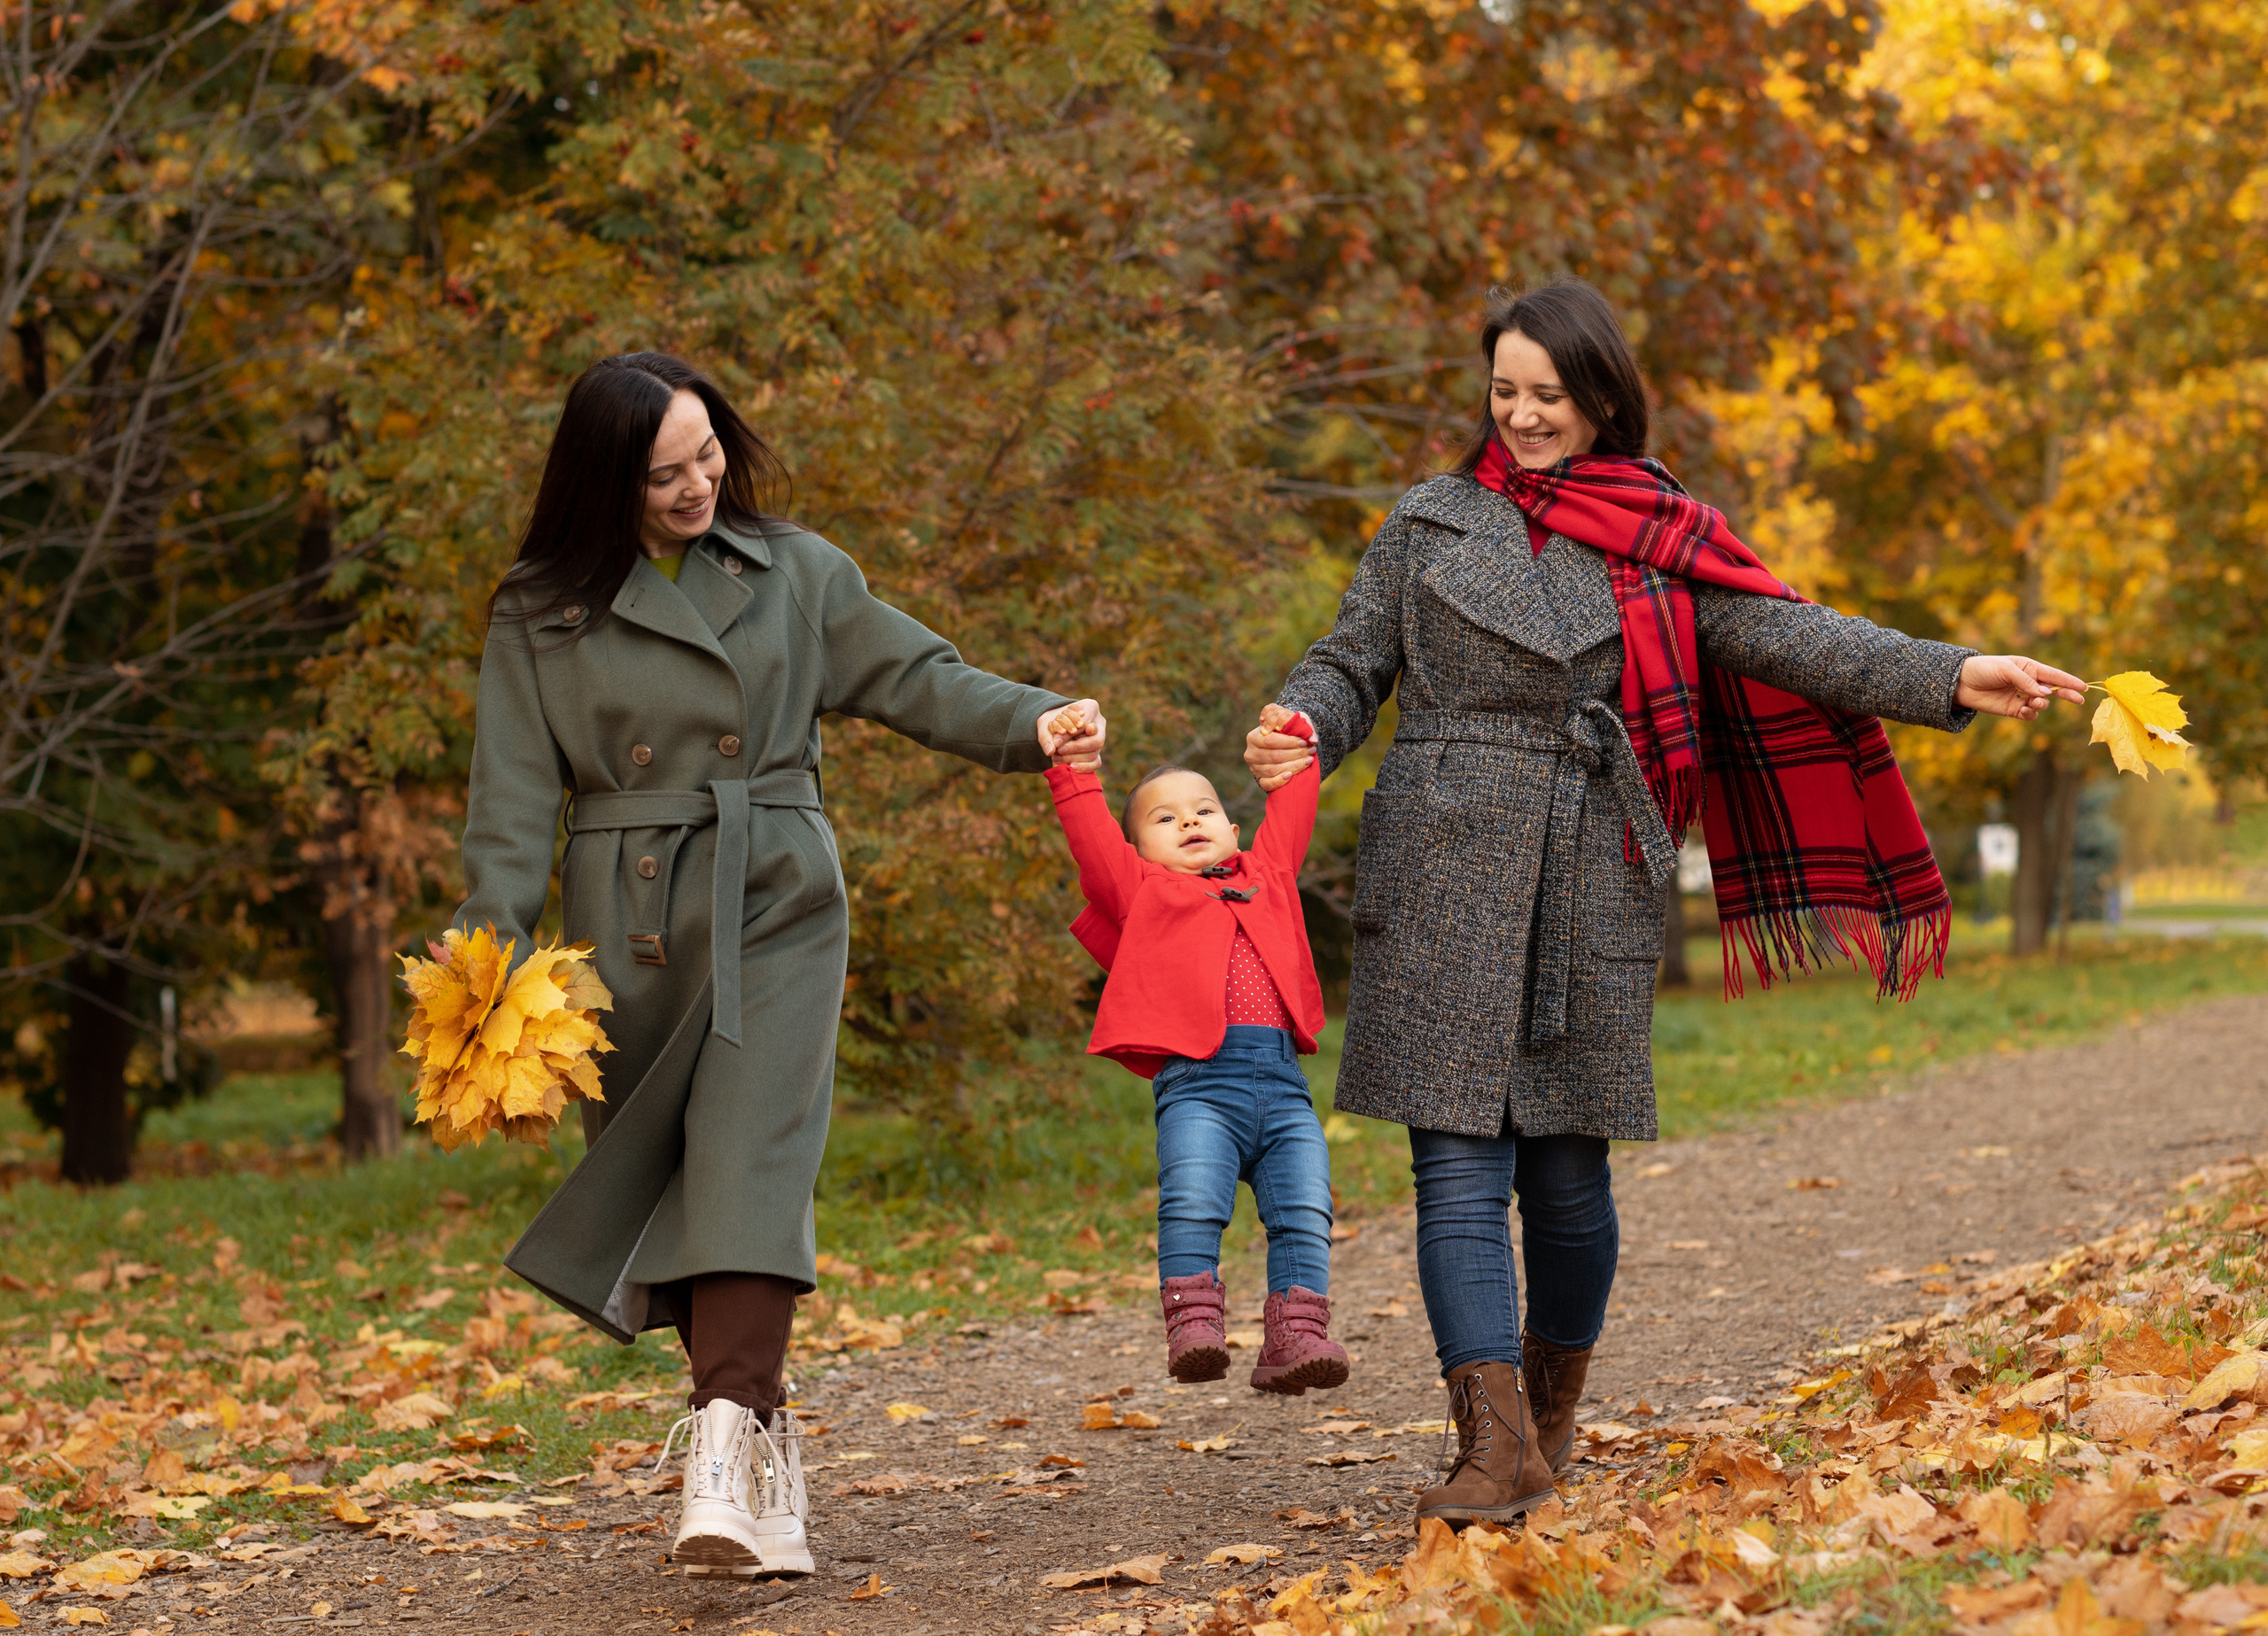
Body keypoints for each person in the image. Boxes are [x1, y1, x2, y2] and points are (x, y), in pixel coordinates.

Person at [1241, 279, 2084, 1529]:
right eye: (1503, 390)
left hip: (1591, 860)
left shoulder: (1660, 532)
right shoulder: (1425, 522)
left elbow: (1797, 637)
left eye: (1547, 395)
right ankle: (1491, 1442)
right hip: (1440, 857)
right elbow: (1353, 656)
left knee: (1569, 1177)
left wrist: (1954, 671)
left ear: (1599, 399)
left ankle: (1548, 1405)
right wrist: (1304, 718)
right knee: (1453, 1165)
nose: (1521, 415)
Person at [452, 352, 1105, 1577]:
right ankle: (765, 1446)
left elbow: (918, 674)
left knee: (751, 1152)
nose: (697, 485)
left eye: (708, 456)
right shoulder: (539, 610)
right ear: (604, 480)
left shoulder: (795, 569)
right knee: (681, 1176)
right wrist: (491, 964)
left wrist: (1033, 718)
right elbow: (509, 800)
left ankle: (719, 1441)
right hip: (624, 920)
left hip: (777, 892)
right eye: (663, 474)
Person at [1043, 703, 1348, 1392]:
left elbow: (1294, 802)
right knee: (1193, 1200)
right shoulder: (1143, 890)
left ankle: (1295, 1336)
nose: (1188, 821)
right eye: (1163, 817)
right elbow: (1092, 841)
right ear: (1139, 851)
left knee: (1305, 1207)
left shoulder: (1266, 873)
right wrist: (1075, 771)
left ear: (1232, 829)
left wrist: (1295, 739)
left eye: (1203, 809)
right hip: (1199, 1087)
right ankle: (1194, 1325)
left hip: (1284, 1088)